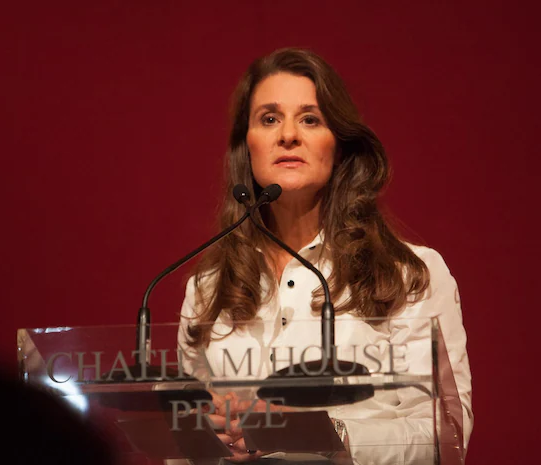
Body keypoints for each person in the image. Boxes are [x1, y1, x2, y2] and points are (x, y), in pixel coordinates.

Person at [177, 48, 473, 464]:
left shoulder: (410, 275)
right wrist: (203, 440)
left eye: (310, 119)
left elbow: (444, 439)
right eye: (269, 118)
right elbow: (185, 437)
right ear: (247, 146)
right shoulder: (207, 289)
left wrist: (325, 435)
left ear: (340, 144)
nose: (288, 135)